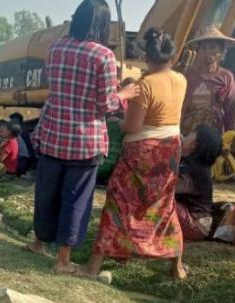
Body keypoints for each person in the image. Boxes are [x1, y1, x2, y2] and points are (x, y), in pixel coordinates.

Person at [25, 0, 139, 273]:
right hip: (84, 142)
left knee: (47, 192)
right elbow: (105, 105)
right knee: (76, 200)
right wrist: (124, 94)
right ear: (101, 24)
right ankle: (63, 260)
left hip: (52, 132)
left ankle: (38, 242)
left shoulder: (56, 48)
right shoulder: (103, 56)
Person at [82, 28, 188, 282]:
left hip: (143, 152)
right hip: (170, 150)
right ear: (173, 57)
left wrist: (118, 123)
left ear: (146, 58)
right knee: (163, 203)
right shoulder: (181, 80)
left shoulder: (145, 85)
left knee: (119, 203)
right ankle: (177, 266)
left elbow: (132, 127)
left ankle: (93, 267)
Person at [181, 26, 235, 136]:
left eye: (213, 48)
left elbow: (230, 110)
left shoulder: (226, 76)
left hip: (213, 134)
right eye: (203, 48)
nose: (208, 52)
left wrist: (228, 137)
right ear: (197, 51)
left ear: (221, 51)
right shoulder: (187, 75)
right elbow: (179, 108)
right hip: (187, 132)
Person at [176, 124, 222, 241]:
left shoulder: (194, 172)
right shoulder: (190, 165)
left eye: (191, 134)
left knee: (160, 200)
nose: (185, 135)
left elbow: (167, 188)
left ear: (194, 144)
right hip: (195, 223)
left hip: (196, 226)